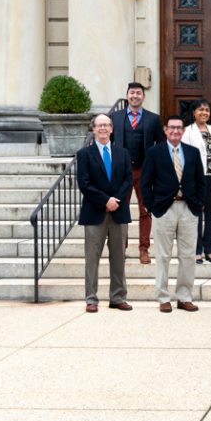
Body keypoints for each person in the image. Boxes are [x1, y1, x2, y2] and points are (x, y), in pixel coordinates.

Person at [140, 114, 205, 313]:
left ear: (183, 131)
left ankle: (184, 297)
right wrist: (151, 207)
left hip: (188, 209)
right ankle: (163, 298)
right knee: (163, 256)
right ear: (165, 130)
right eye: (172, 128)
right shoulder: (154, 152)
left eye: (179, 128)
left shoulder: (193, 152)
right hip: (164, 210)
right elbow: (145, 183)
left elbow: (200, 181)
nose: (175, 131)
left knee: (187, 256)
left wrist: (199, 204)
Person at [76, 114, 133, 313]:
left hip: (118, 211)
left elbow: (128, 180)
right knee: (92, 258)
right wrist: (105, 201)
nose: (103, 129)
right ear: (93, 129)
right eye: (99, 125)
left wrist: (115, 200)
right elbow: (84, 183)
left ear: (111, 129)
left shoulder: (122, 153)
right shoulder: (84, 154)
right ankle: (91, 298)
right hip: (94, 212)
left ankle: (118, 297)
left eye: (106, 125)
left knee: (118, 257)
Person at [110, 82, 165, 264]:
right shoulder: (115, 118)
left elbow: (161, 145)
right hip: (122, 172)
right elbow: (107, 143)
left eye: (138, 93)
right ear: (127, 95)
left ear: (143, 96)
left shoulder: (153, 119)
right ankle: (120, 249)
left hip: (144, 171)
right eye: (132, 93)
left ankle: (144, 249)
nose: (135, 96)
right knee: (121, 211)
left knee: (145, 210)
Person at [181, 99, 211, 265]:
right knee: (196, 214)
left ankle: (209, 250)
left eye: (207, 110)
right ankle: (197, 250)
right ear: (193, 113)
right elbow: (184, 157)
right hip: (196, 178)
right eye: (200, 110)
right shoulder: (187, 132)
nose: (204, 112)